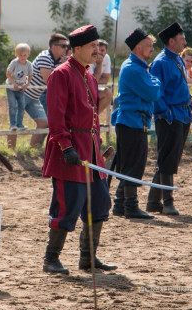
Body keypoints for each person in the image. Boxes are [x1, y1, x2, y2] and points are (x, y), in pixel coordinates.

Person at [42, 25, 115, 274]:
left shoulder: (90, 76)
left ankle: (88, 258)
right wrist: (65, 146)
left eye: (98, 46)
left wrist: (98, 146)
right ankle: (51, 259)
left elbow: (92, 116)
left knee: (100, 204)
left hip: (91, 151)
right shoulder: (60, 74)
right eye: (93, 47)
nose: (98, 51)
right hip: (70, 153)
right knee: (67, 206)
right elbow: (56, 117)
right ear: (78, 49)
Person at [110, 28, 161, 219]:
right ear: (138, 47)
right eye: (149, 46)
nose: (152, 50)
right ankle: (130, 206)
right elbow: (153, 93)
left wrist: (152, 79)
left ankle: (120, 204)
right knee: (133, 165)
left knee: (129, 164)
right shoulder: (133, 68)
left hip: (133, 121)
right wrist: (155, 80)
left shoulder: (138, 67)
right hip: (132, 121)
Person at [146, 22, 192, 216]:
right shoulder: (161, 62)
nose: (185, 42)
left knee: (170, 158)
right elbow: (157, 92)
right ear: (171, 41)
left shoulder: (176, 59)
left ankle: (153, 201)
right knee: (167, 159)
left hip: (182, 114)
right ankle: (168, 202)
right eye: (181, 39)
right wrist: (167, 113)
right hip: (171, 116)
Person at [23, 33, 68, 147]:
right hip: (23, 93)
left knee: (44, 123)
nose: (66, 49)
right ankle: (11, 151)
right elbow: (50, 80)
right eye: (63, 46)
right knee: (15, 124)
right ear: (53, 47)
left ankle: (34, 148)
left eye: (67, 46)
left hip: (36, 95)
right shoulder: (45, 57)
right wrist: (63, 66)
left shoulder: (59, 59)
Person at [5, 43, 33, 149]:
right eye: (20, 55)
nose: (22, 57)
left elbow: (30, 75)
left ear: (28, 55)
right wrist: (14, 84)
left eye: (24, 55)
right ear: (17, 55)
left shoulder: (28, 64)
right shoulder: (14, 63)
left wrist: (26, 84)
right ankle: (13, 125)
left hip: (21, 88)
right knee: (13, 105)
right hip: (11, 88)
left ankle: (20, 123)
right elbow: (8, 74)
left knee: (22, 106)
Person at [89, 39, 113, 114]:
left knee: (108, 93)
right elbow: (92, 81)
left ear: (106, 51)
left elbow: (105, 79)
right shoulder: (90, 58)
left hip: (95, 87)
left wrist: (95, 81)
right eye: (98, 50)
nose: (99, 53)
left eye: (102, 50)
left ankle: (94, 116)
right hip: (85, 89)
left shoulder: (107, 58)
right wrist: (99, 64)